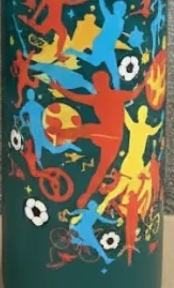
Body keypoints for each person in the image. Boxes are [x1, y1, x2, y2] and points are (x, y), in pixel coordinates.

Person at [66, 71, 147, 209]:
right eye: (95, 83)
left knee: (88, 131)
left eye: (97, 83)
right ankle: (86, 196)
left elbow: (76, 97)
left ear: (104, 82)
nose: (96, 86)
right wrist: (145, 80)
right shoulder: (111, 96)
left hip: (107, 135)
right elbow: (76, 97)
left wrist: (146, 79)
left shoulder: (102, 97)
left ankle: (87, 195)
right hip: (113, 139)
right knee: (101, 168)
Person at [97, 105, 163, 214]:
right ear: (139, 115)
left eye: (143, 114)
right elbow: (126, 118)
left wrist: (160, 122)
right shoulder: (134, 126)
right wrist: (121, 105)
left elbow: (155, 130)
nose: (142, 115)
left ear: (146, 116)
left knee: (140, 186)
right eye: (141, 113)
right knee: (122, 186)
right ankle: (105, 202)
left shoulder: (145, 128)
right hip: (130, 161)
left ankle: (134, 210)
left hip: (139, 163)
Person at [19, 0, 92, 58]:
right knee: (43, 31)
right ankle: (29, 23)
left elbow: (72, 2)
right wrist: (33, 18)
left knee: (62, 33)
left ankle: (58, 53)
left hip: (57, 21)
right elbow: (40, 8)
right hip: (50, 19)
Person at [64, 0, 127, 86]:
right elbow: (103, 6)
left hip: (109, 48)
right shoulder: (110, 17)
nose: (122, 11)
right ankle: (73, 51)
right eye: (119, 9)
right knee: (96, 62)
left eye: (123, 10)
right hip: (101, 44)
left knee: (114, 72)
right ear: (115, 9)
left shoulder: (121, 21)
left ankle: (117, 93)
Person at [18, 88, 83, 166]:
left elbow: (45, 113)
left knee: (50, 149)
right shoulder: (29, 106)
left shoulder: (34, 105)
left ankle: (68, 146)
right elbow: (22, 115)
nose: (31, 96)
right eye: (30, 94)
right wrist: (24, 124)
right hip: (36, 131)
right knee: (42, 148)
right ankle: (39, 161)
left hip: (40, 131)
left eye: (31, 94)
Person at [66, 199, 118, 265]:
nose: (96, 207)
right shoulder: (95, 214)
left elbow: (77, 211)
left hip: (79, 228)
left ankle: (76, 241)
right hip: (86, 231)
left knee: (93, 243)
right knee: (96, 245)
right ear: (94, 207)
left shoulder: (85, 211)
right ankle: (106, 259)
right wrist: (114, 221)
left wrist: (70, 213)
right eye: (95, 206)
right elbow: (105, 220)